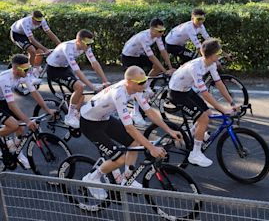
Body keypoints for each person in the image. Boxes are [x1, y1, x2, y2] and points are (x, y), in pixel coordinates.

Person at [79, 65, 182, 199]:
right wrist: (151, 148)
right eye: (141, 83)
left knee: (135, 143)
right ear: (129, 82)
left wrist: (169, 130)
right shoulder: (120, 94)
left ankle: (127, 178)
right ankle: (92, 178)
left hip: (104, 119)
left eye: (145, 81)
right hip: (89, 124)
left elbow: (149, 111)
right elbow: (130, 128)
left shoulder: (135, 89)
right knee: (120, 158)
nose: (144, 85)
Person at [169, 38, 236, 167]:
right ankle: (195, 154)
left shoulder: (210, 63)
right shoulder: (196, 67)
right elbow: (205, 93)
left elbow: (219, 83)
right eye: (219, 52)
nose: (220, 54)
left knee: (208, 113)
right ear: (212, 55)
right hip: (176, 93)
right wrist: (222, 109)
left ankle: (194, 134)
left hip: (186, 89)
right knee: (204, 118)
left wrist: (231, 102)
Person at [0, 54, 56, 169]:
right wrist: (28, 121)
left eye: (29, 68)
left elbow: (34, 93)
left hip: (2, 100)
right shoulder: (4, 79)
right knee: (14, 125)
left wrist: (47, 109)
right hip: (4, 102)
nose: (28, 72)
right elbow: (11, 105)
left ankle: (17, 152)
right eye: (25, 69)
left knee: (20, 127)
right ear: (15, 69)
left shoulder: (23, 74)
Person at [46, 29, 110, 129]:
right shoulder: (68, 47)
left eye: (90, 43)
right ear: (78, 41)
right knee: (79, 87)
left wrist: (105, 81)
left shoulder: (86, 46)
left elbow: (94, 63)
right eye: (87, 43)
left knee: (81, 96)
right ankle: (69, 117)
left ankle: (74, 113)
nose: (88, 46)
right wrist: (92, 86)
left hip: (64, 67)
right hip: (53, 70)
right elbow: (77, 71)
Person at [121, 18, 174, 125]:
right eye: (159, 31)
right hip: (128, 57)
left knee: (156, 67)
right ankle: (135, 113)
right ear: (151, 29)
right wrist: (165, 71)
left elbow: (163, 51)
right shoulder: (144, 37)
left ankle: (147, 85)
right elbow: (152, 57)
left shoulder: (157, 36)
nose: (162, 33)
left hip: (137, 55)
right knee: (138, 84)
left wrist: (170, 67)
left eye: (163, 30)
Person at [10, 10, 61, 80]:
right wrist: (45, 49)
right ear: (32, 18)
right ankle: (29, 73)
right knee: (32, 50)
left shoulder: (42, 20)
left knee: (40, 51)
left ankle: (35, 69)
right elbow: (32, 40)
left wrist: (60, 44)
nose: (38, 23)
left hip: (26, 35)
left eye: (40, 21)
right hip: (17, 34)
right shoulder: (25, 22)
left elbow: (49, 33)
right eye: (37, 21)